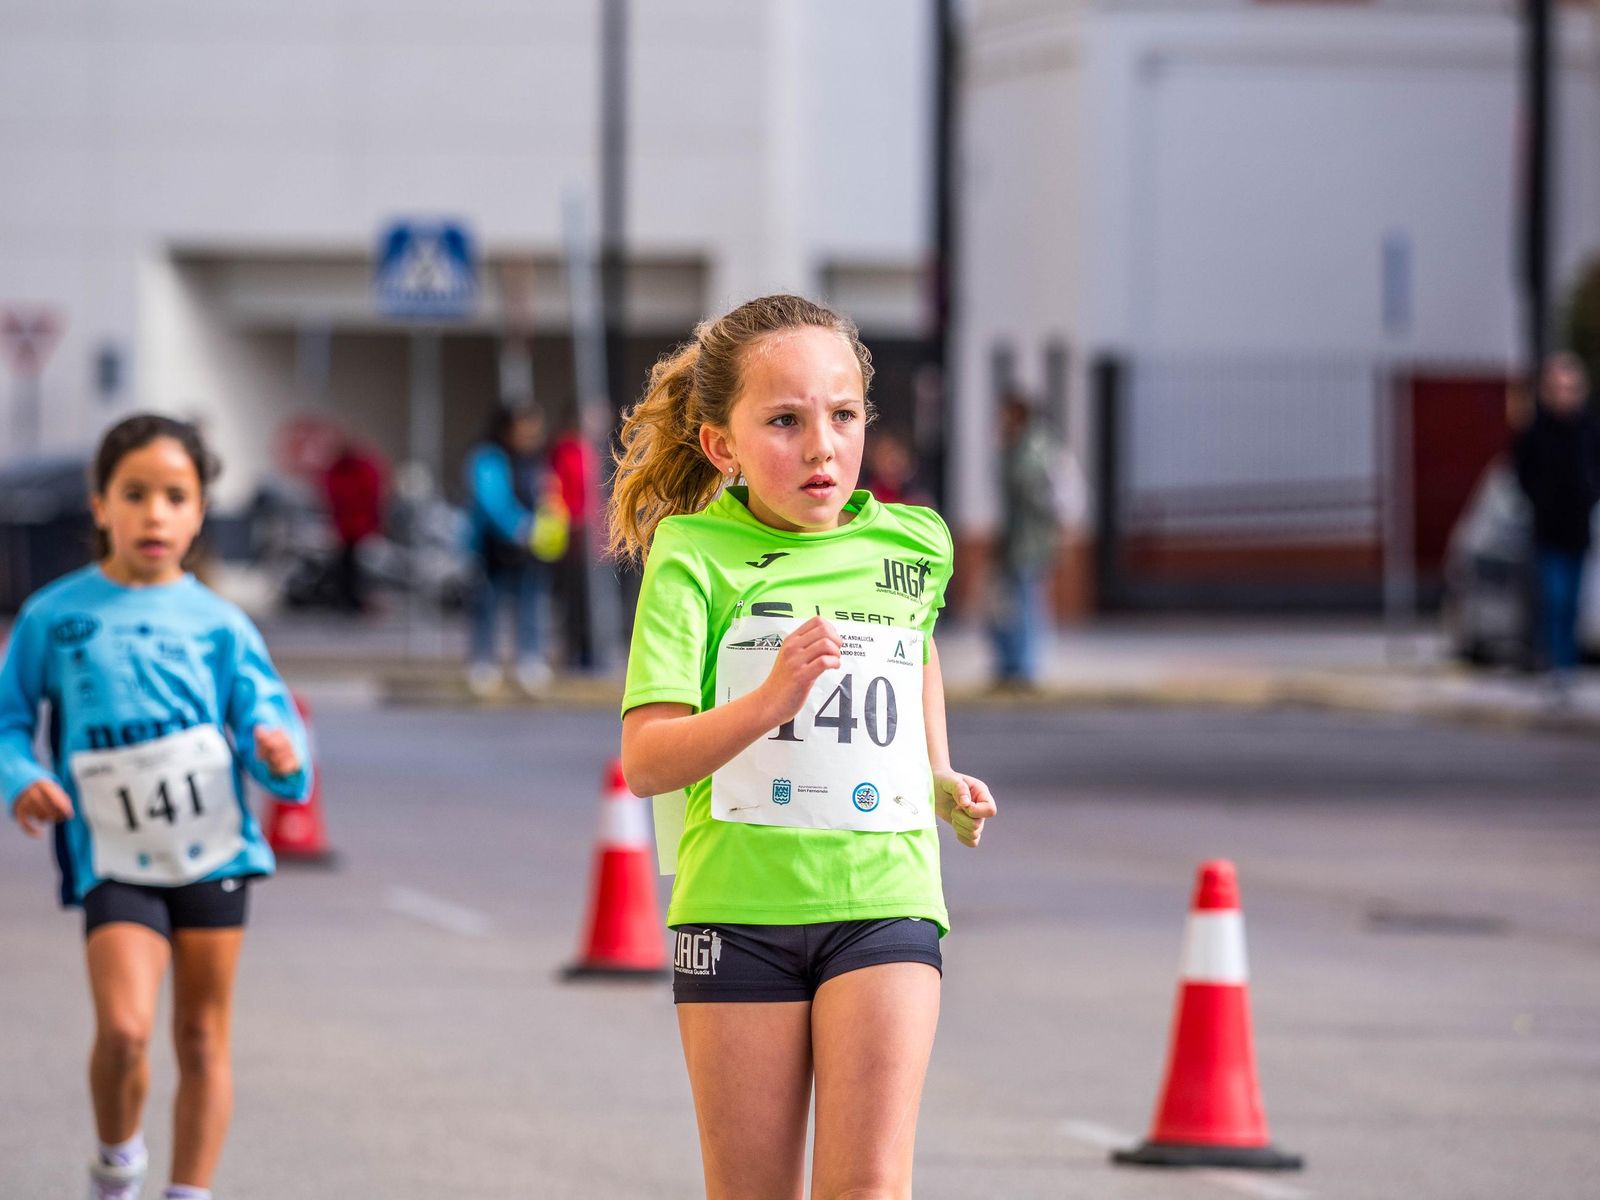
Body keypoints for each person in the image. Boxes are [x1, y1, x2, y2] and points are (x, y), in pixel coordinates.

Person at [610, 293, 997, 1199]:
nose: (822, 445)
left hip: (885, 897)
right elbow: (647, 760)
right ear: (723, 445)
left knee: (868, 1186)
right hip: (738, 912)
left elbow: (915, 656)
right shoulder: (693, 555)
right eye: (785, 420)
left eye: (844, 415)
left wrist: (936, 771)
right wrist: (770, 699)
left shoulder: (916, 542)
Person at [0, 414, 311, 1200]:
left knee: (203, 1037)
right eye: (135, 495)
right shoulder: (54, 616)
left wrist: (279, 754)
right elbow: (8, 721)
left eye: (176, 496)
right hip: (112, 853)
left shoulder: (221, 625)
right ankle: (117, 1164)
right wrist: (21, 778)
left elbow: (274, 736)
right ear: (100, 504)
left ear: (201, 510)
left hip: (212, 849)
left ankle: (188, 1193)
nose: (156, 514)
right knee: (126, 1033)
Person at [462, 404, 568, 697]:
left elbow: (551, 494)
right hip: (492, 549)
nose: (531, 434)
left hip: (530, 551)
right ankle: (483, 663)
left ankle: (530, 661)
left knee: (531, 604)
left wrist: (550, 523)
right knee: (487, 605)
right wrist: (520, 528)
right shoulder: (488, 458)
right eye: (525, 427)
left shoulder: (538, 459)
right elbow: (490, 500)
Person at [1514, 351, 1600, 692]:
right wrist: (1540, 498)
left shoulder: (1589, 428)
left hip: (1578, 528)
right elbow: (1522, 472)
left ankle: (1567, 664)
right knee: (1555, 596)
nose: (1567, 394)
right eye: (1560, 387)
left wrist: (1590, 493)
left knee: (1573, 602)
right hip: (1547, 529)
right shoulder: (1537, 430)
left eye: (1572, 387)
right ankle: (1556, 665)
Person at [990, 390, 1062, 689]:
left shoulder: (1032, 448)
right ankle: (1011, 665)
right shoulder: (1019, 446)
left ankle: (1025, 668)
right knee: (1010, 606)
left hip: (1029, 544)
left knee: (1026, 604)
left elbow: (1035, 495)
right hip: (1015, 541)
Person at [548, 412, 600, 671]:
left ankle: (589, 649)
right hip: (574, 532)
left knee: (591, 597)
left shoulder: (593, 449)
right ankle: (575, 650)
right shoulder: (566, 449)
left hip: (592, 533)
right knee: (576, 596)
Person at [322, 438, 386, 614]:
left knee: (353, 565)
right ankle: (348, 599)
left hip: (353, 525)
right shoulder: (348, 470)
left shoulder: (352, 470)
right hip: (350, 525)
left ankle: (350, 599)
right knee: (348, 565)